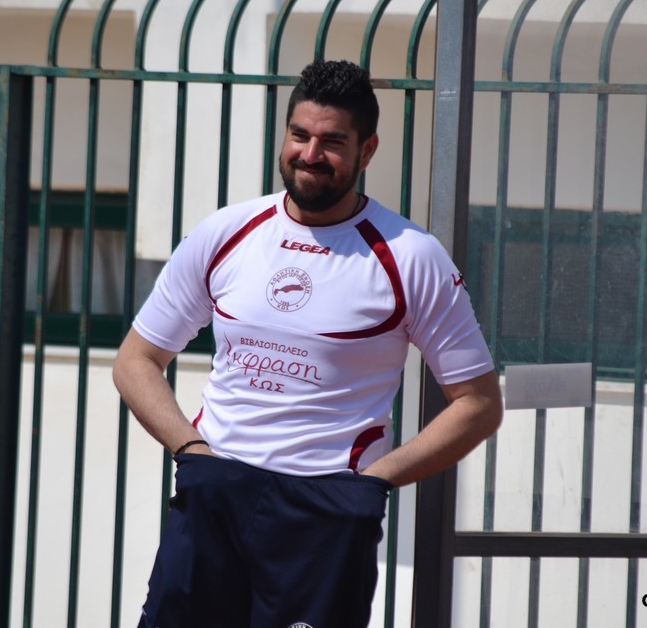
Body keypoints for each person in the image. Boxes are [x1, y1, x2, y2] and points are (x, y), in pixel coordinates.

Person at [113, 59, 502, 628]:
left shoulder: (411, 256)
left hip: (327, 510)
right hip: (214, 492)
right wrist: (192, 452)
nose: (310, 154)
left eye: (332, 142)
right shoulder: (226, 232)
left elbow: (479, 403)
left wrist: (377, 479)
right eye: (299, 135)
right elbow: (136, 360)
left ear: (367, 150)